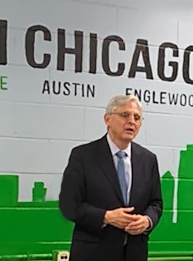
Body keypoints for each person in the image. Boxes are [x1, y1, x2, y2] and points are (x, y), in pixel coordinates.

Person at [59, 95, 163, 261]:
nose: (131, 121)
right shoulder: (83, 155)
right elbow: (68, 205)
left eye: (137, 117)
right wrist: (106, 216)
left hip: (134, 254)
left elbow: (156, 203)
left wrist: (147, 220)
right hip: (93, 254)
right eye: (125, 115)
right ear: (107, 119)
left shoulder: (148, 159)